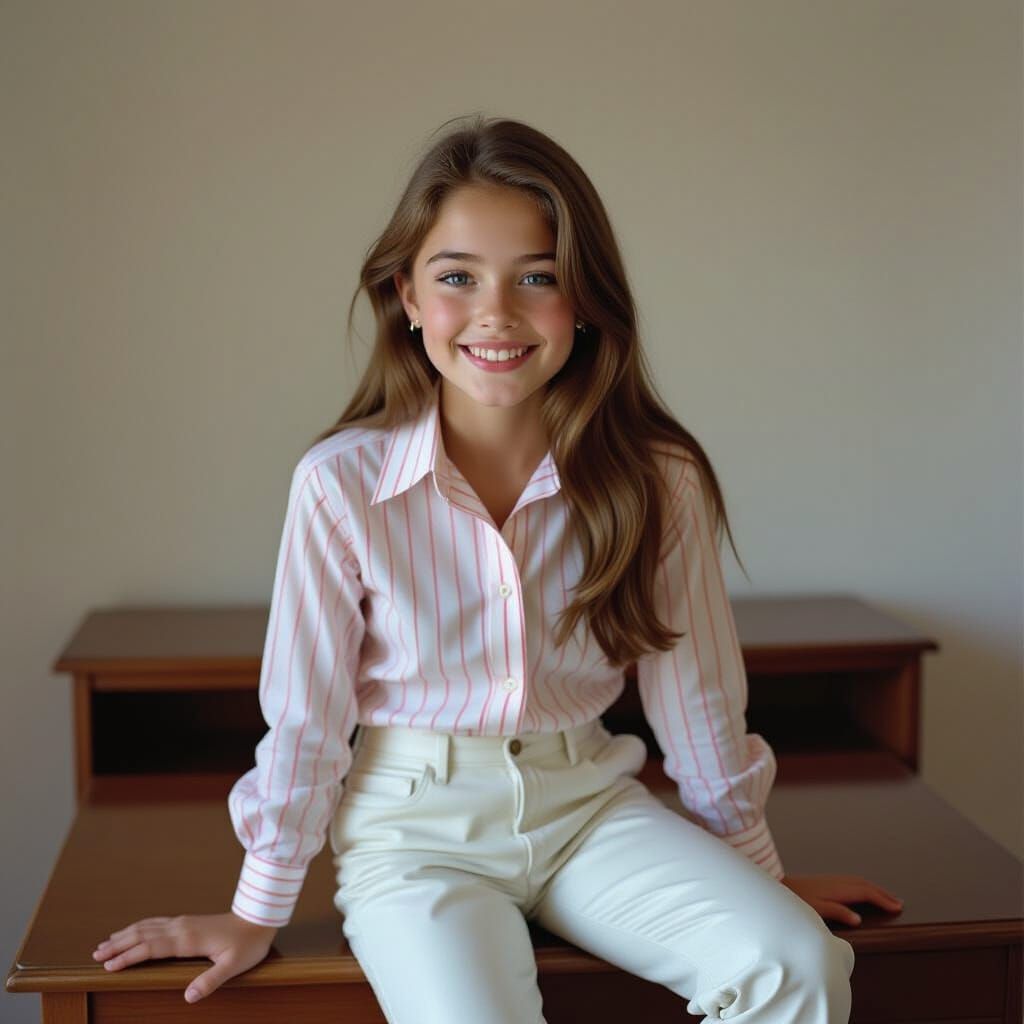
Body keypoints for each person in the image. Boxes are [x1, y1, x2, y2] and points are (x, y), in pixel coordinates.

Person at [92, 114, 903, 1022]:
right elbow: (305, 717)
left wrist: (756, 875)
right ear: (406, 295)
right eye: (457, 278)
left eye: (538, 278)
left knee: (794, 962)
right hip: (412, 833)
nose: (497, 313)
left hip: (591, 806)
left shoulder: (655, 477)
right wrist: (258, 907)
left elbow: (699, 695)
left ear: (585, 299)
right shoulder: (339, 484)